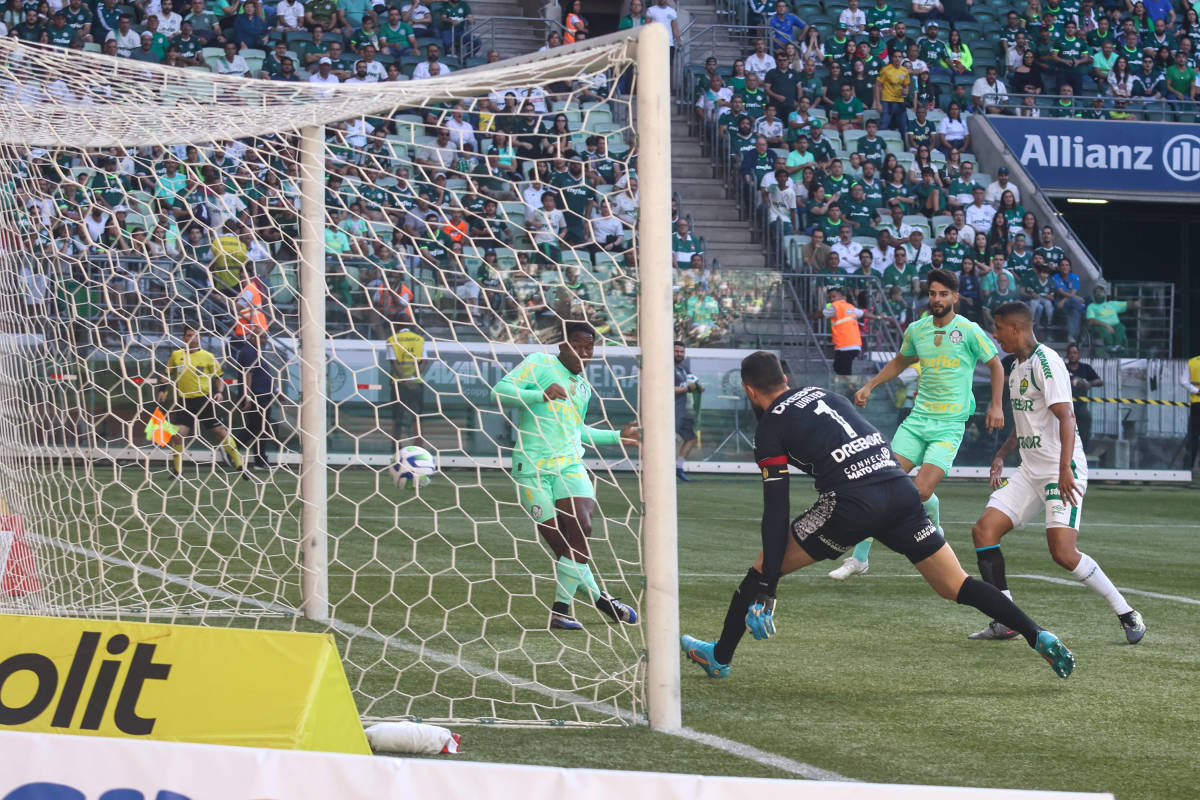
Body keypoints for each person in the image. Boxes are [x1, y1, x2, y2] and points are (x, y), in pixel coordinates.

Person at [680, 352, 1075, 680]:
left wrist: (769, 586)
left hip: (851, 504)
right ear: (787, 376)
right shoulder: (825, 394)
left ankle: (720, 657)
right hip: (900, 491)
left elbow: (776, 508)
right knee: (955, 584)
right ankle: (1036, 633)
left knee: (764, 566)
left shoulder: (769, 428)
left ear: (749, 390)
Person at [968, 302, 1146, 644]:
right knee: (984, 531)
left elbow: (1067, 418)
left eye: (999, 327)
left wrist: (1064, 470)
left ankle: (1126, 612)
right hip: (1029, 470)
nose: (995, 334)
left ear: (1016, 329)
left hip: (1060, 468)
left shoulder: (1046, 362)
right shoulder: (1015, 366)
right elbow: (1026, 424)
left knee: (1063, 553)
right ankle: (1006, 619)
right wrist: (1002, 455)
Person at [841, 269, 1005, 578]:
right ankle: (860, 558)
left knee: (918, 493)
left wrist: (996, 405)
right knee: (880, 484)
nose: (937, 299)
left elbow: (996, 365)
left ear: (955, 297)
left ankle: (932, 517)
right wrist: (869, 387)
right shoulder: (917, 329)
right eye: (933, 294)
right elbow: (899, 362)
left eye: (944, 294)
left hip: (949, 424)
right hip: (917, 421)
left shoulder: (969, 330)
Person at [491, 322, 640, 630]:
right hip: (532, 469)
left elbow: (577, 430)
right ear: (563, 346)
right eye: (578, 346)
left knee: (582, 528)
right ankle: (602, 601)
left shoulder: (583, 389)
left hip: (570, 466)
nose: (584, 353)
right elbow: (500, 391)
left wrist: (616, 436)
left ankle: (561, 610)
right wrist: (539, 395)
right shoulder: (539, 363)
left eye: (589, 348)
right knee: (562, 547)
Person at [156, 326, 249, 479]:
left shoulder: (208, 357)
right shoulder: (176, 355)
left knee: (221, 433)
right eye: (188, 335)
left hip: (204, 402)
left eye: (195, 335)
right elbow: (167, 373)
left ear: (199, 338)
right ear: (184, 338)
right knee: (178, 435)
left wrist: (219, 392)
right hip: (184, 402)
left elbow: (219, 378)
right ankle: (178, 471)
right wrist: (162, 390)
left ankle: (240, 466)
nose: (192, 338)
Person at [236, 326, 278, 471]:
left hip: (263, 396)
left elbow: (263, 374)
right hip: (255, 397)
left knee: (256, 428)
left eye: (265, 337)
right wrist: (247, 397)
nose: (264, 340)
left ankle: (233, 450)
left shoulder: (257, 352)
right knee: (260, 428)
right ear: (251, 337)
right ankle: (258, 460)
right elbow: (248, 375)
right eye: (260, 337)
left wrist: (276, 390)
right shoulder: (249, 352)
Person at [387, 318, 428, 450]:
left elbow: (394, 363)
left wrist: (405, 380)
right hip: (416, 383)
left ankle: (395, 447)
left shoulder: (392, 340)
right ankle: (418, 447)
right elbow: (424, 362)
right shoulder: (420, 339)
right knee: (417, 416)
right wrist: (413, 378)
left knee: (396, 416)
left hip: (399, 384)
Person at [823, 286, 864, 390]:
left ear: (841, 296)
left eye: (833, 296)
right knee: (840, 368)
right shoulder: (850, 307)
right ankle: (849, 389)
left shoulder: (835, 306)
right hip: (854, 344)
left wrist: (811, 315)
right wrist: (877, 317)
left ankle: (852, 391)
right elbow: (863, 313)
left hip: (844, 345)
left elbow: (822, 314)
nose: (831, 299)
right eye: (829, 297)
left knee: (844, 371)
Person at [673, 341, 703, 482]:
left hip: (681, 412)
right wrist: (688, 389)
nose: (679, 354)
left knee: (690, 438)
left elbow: (695, 382)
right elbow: (666, 388)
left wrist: (699, 387)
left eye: (682, 352)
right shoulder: (667, 368)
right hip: (669, 412)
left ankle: (679, 468)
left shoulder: (683, 369)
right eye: (676, 351)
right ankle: (665, 472)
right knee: (667, 443)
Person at [1065, 343, 1101, 452]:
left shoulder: (1085, 368)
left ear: (1079, 355)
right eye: (1070, 353)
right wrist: (1071, 382)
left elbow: (1099, 381)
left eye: (1075, 353)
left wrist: (1087, 383)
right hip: (1066, 405)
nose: (1072, 355)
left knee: (1085, 419)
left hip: (1081, 405)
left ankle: (1084, 450)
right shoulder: (1063, 367)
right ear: (1067, 355)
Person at [1085, 284, 1138, 353]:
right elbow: (1090, 320)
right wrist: (1106, 325)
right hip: (1100, 325)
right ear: (1094, 295)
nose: (1099, 295)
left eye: (1101, 293)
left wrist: (1135, 303)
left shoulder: (1112, 304)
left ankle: (1117, 346)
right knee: (1104, 330)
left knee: (1121, 327)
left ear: (1104, 294)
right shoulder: (1091, 306)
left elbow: (1127, 304)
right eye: (1097, 293)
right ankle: (1109, 346)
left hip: (1115, 325)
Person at [1185, 354, 1200, 472]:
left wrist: (1196, 391)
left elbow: (1183, 381)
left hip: (1196, 403)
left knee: (1194, 436)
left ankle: (1188, 467)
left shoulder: (1192, 362)